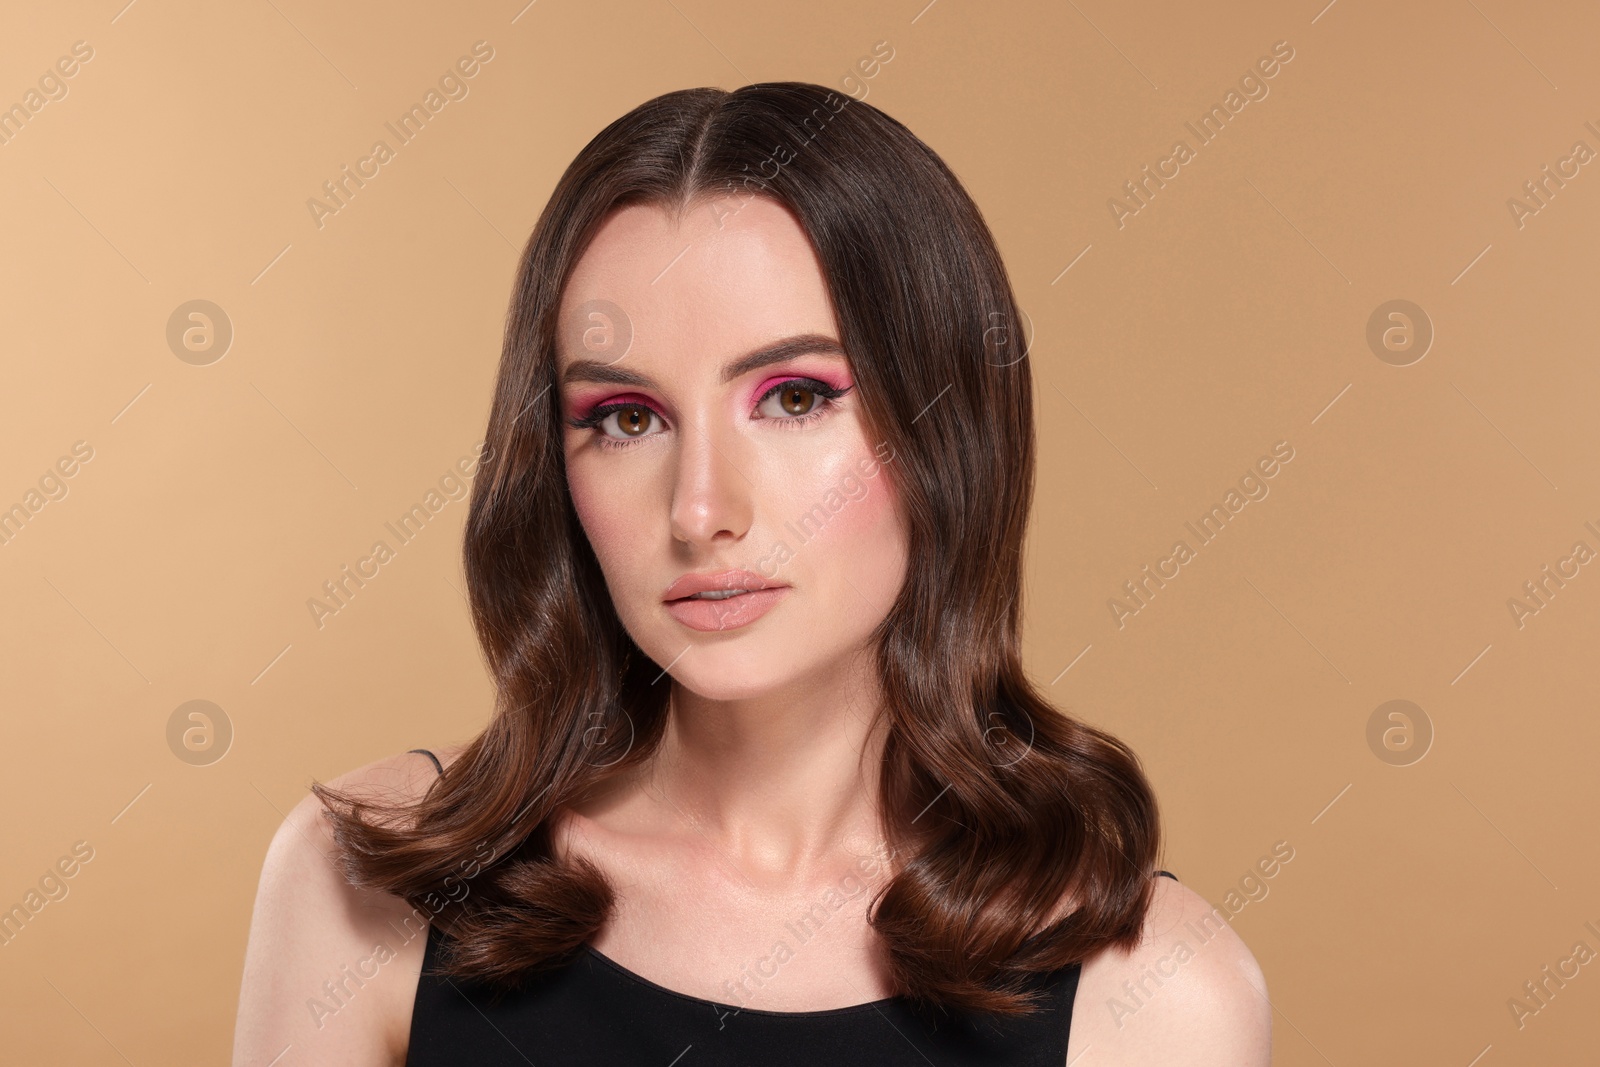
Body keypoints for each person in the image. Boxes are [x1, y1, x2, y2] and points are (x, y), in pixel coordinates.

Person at [233, 81, 1270, 1066]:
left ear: (944, 429)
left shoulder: (1154, 994)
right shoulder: (368, 878)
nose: (700, 511)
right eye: (625, 418)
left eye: (792, 397)